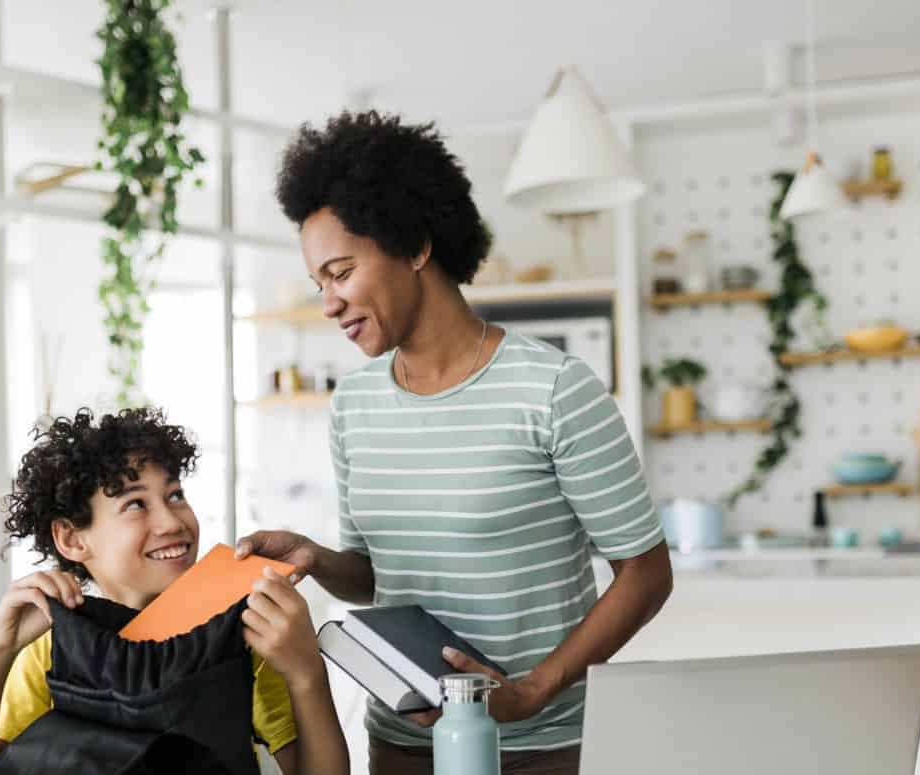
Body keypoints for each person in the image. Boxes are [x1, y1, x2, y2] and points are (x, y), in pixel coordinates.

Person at [239, 111, 675, 775]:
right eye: (317, 283)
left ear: (414, 244)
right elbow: (376, 576)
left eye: (341, 271)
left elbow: (646, 573)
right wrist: (318, 557)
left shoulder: (554, 389)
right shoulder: (354, 404)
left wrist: (532, 690)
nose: (328, 301)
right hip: (402, 743)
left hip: (536, 748)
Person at [0, 408, 349, 775]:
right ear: (71, 539)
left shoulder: (244, 636)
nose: (172, 521)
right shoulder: (48, 653)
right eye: (135, 504)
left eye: (175, 495)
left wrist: (306, 673)